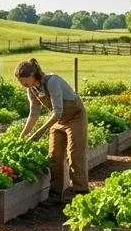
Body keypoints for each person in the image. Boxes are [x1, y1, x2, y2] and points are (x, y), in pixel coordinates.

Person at [15, 58, 88, 199]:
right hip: (58, 120)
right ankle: (55, 194)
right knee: (54, 156)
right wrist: (22, 135)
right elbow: (34, 114)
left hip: (75, 116)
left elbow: (58, 111)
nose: (22, 84)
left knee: (74, 154)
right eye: (20, 81)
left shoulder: (52, 81)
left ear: (32, 75)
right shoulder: (32, 90)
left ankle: (81, 192)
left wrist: (38, 133)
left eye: (24, 80)